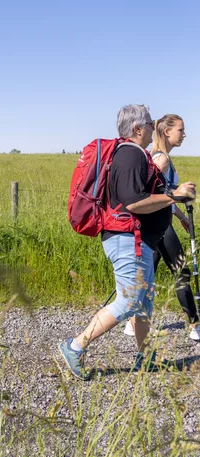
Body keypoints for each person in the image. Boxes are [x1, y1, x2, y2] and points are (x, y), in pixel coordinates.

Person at [59, 105, 196, 379]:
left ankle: (145, 358)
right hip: (127, 238)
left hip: (137, 240)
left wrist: (174, 197)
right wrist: (174, 197)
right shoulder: (131, 154)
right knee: (129, 300)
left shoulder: (135, 155)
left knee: (144, 301)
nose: (152, 125)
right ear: (137, 129)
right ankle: (74, 346)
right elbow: (134, 202)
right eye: (148, 122)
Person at [124, 114, 200, 341]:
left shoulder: (162, 157)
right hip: (158, 225)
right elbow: (151, 193)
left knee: (147, 276)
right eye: (181, 130)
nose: (184, 134)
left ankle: (132, 323)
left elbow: (166, 194)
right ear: (167, 132)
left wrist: (180, 216)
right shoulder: (161, 159)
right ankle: (195, 326)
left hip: (160, 223)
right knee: (181, 271)